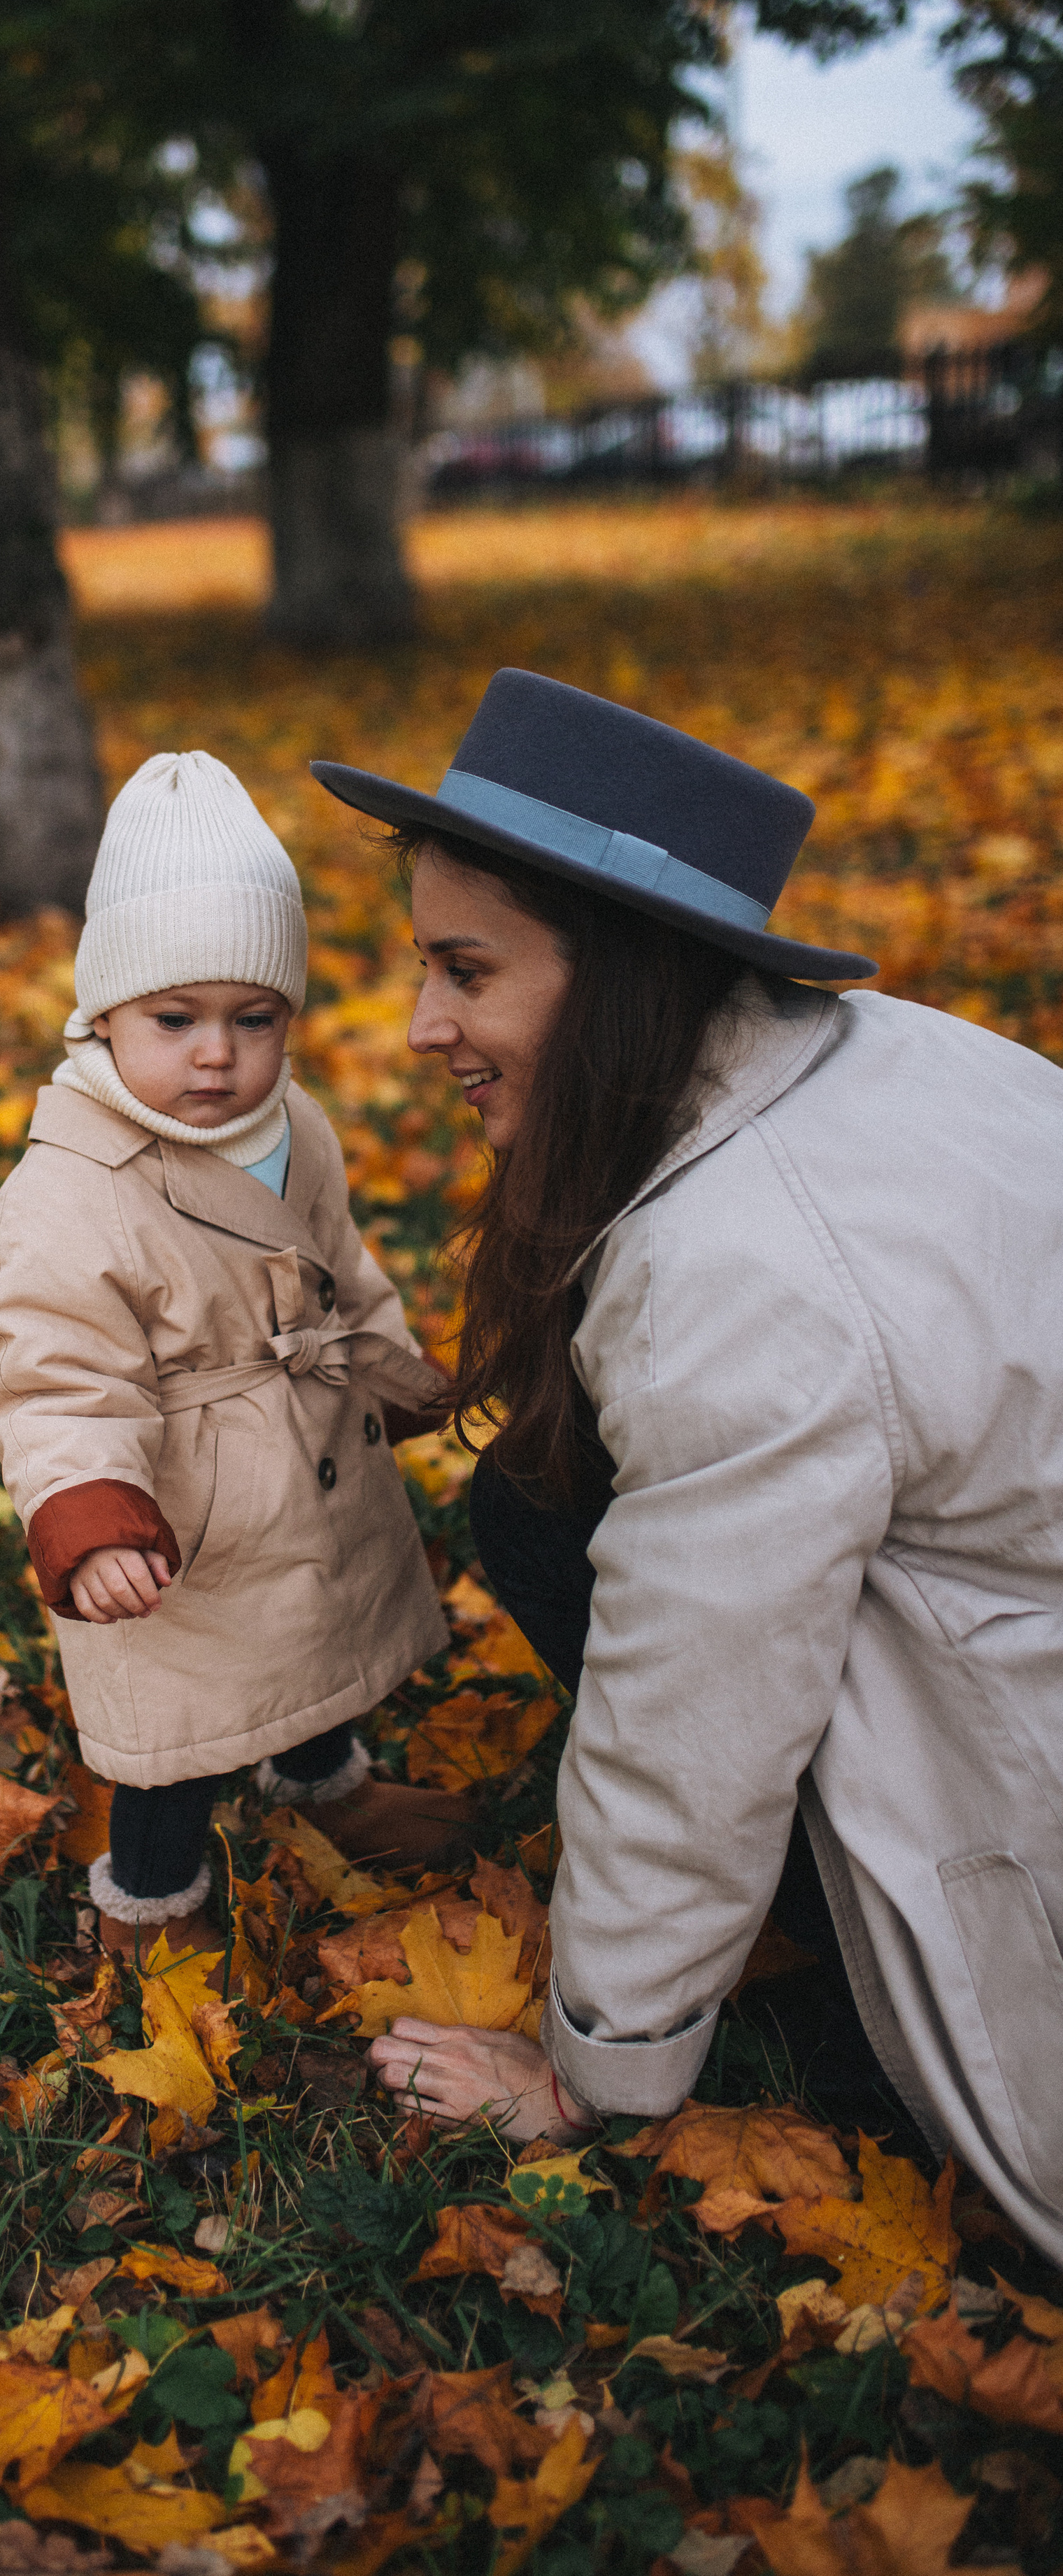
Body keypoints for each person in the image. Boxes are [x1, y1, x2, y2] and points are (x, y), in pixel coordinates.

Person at [311, 668, 1063, 2263]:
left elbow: (694, 1707)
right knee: (528, 1499)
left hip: (1021, 1759)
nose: (420, 1028)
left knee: (615, 1572)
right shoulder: (883, 1055)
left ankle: (835, 2009)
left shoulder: (743, 1274)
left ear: (622, 979)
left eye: (466, 971)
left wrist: (594, 2069)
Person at [0, 750, 472, 1959]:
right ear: (101, 1015)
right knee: (185, 1720)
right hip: (178, 1512)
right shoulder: (70, 1193)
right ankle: (150, 1896)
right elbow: (56, 1376)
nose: (217, 1055)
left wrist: (387, 1365)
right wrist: (91, 1510)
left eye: (254, 1020)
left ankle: (323, 1781)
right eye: (175, 1020)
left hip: (301, 1448)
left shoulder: (294, 1124)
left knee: (315, 1631)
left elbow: (338, 1266)